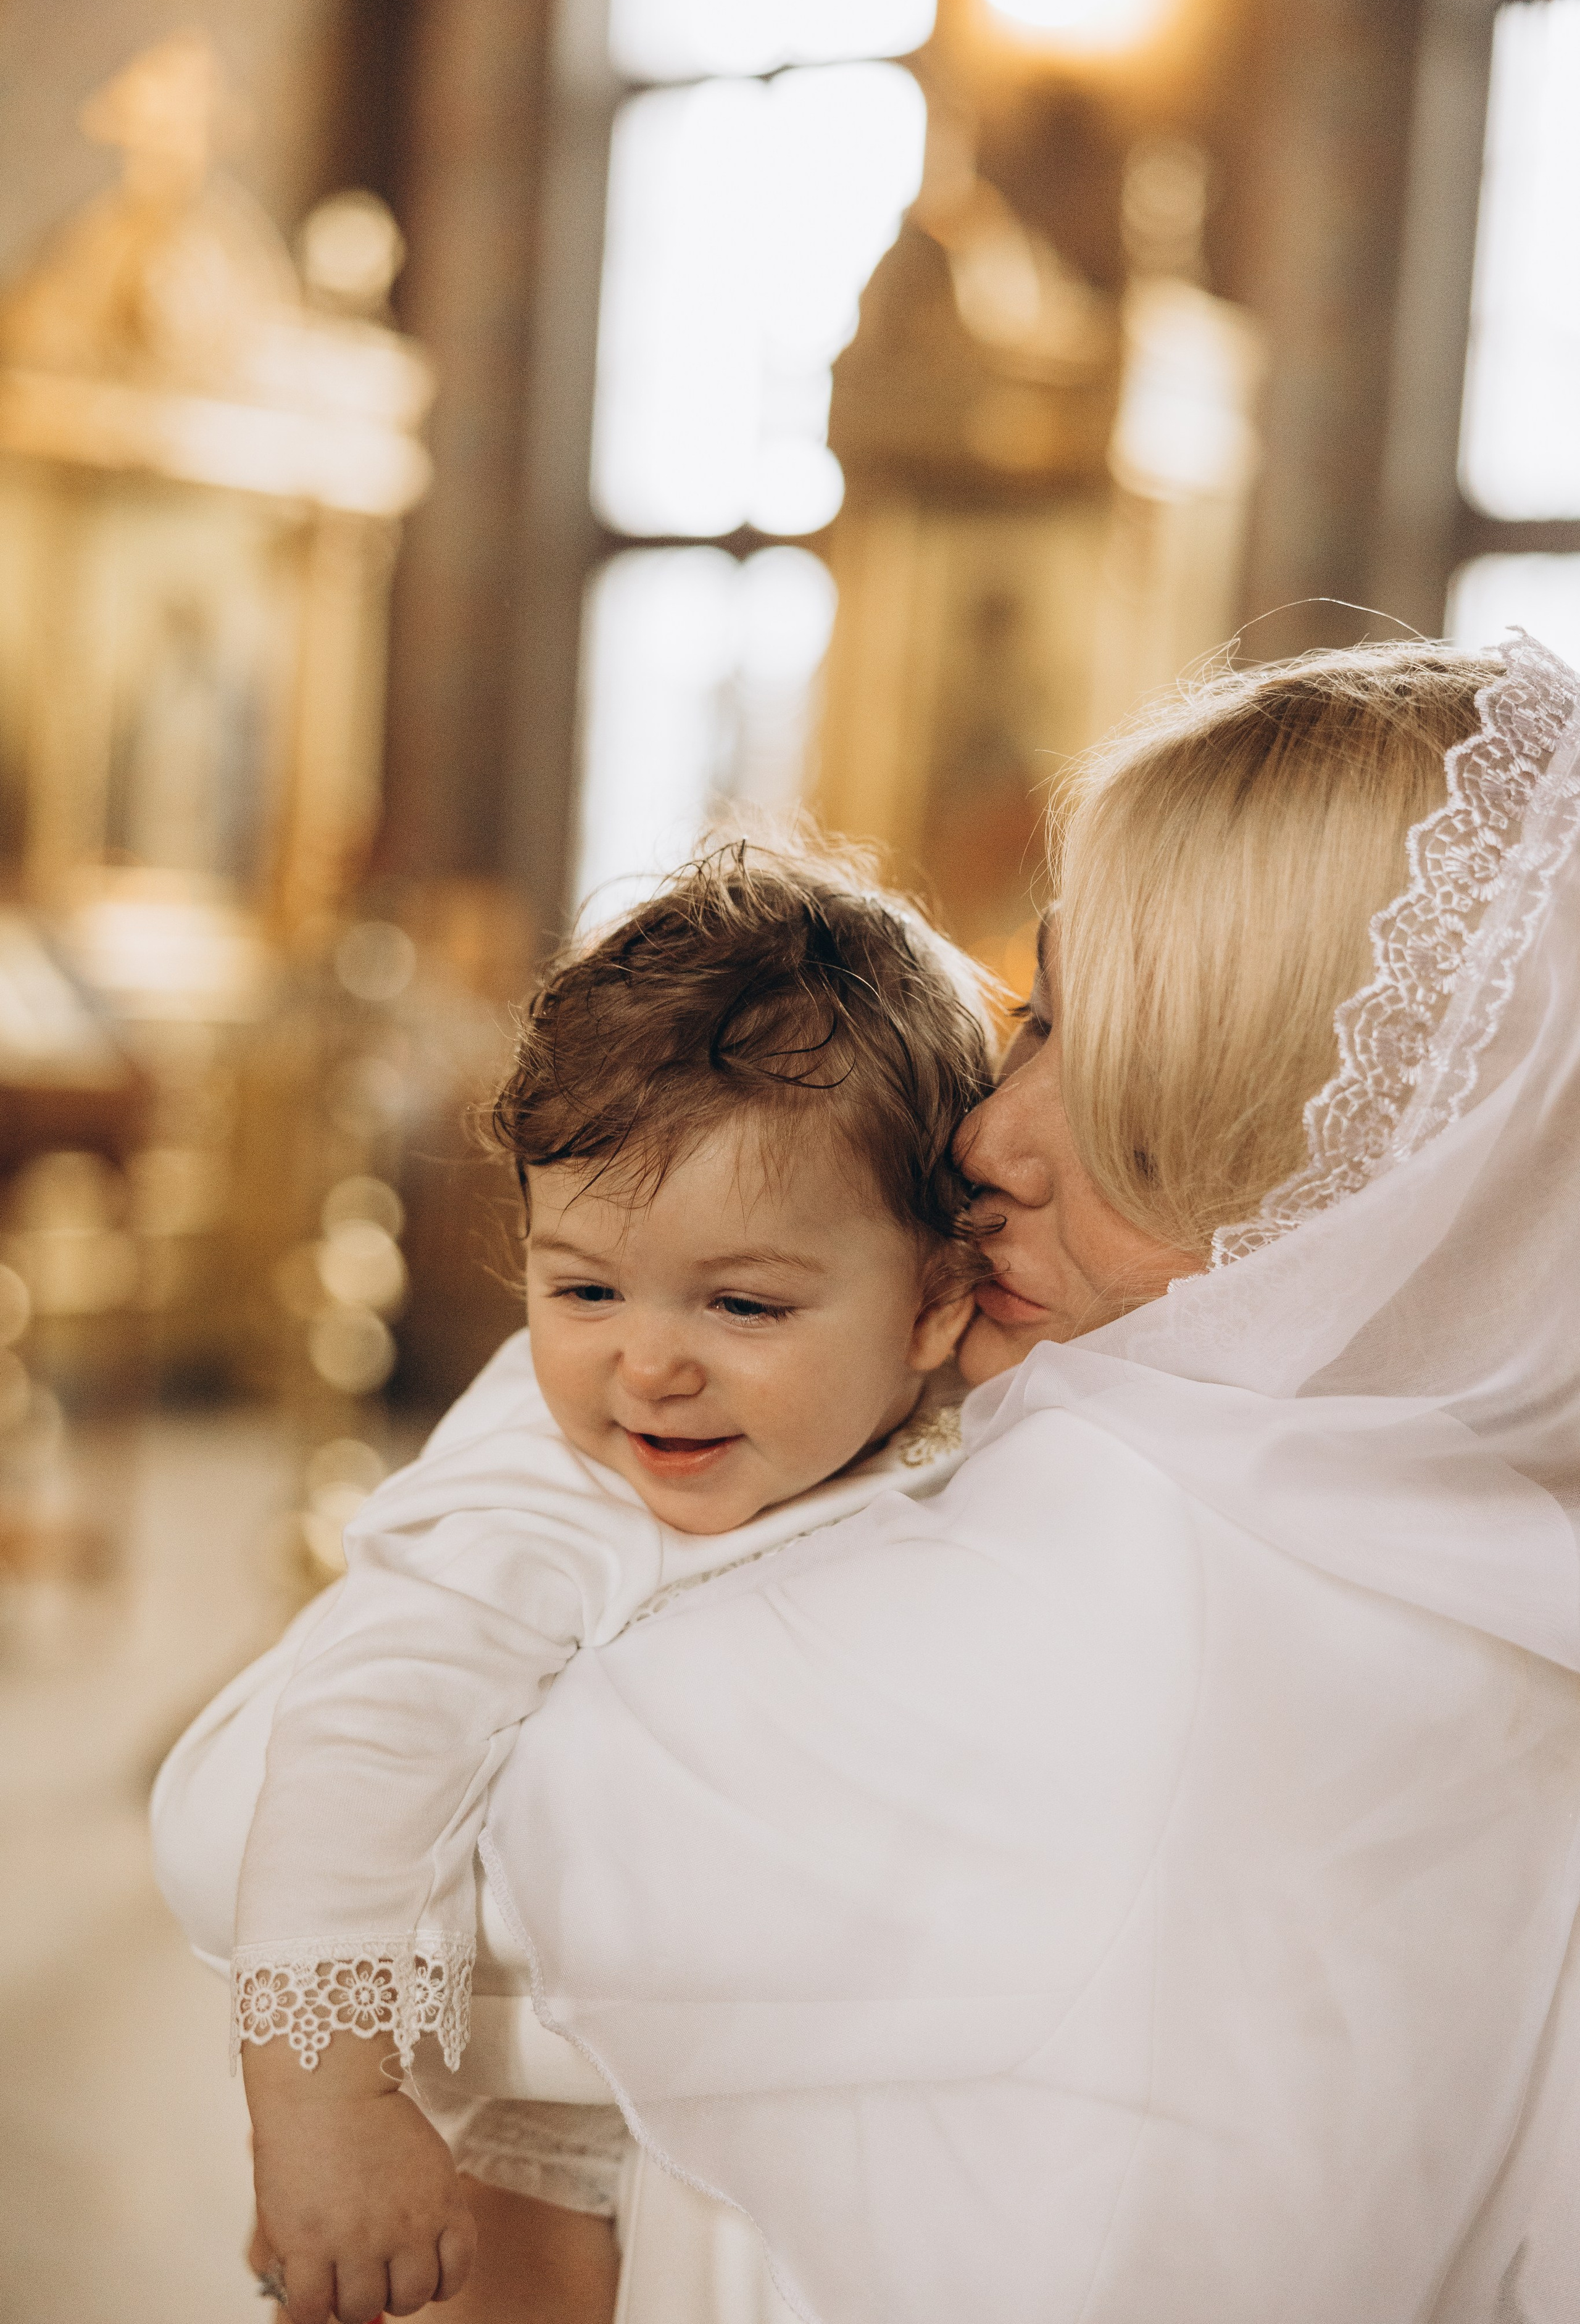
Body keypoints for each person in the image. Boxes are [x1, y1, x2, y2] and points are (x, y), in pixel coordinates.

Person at [468, 631, 1580, 2322]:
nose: (991, 1135)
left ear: (1342, 1160)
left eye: (1101, 1051)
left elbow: (278, 1843)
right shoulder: (1493, 1578)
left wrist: (557, 1400)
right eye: (1032, 1014)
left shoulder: (1094, 1585)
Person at [152, 844, 996, 2324]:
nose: (648, 1363)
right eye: (583, 1288)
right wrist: (324, 2108)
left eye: (742, 1304)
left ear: (936, 1301)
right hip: (526, 2122)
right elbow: (363, 1745)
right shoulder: (539, 1491)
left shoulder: (957, 1421)